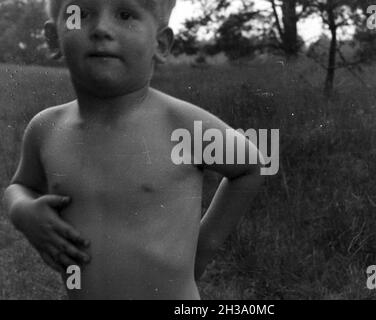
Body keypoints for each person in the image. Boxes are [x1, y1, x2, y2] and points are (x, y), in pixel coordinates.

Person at [3, 0, 265, 299]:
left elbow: (250, 166)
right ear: (54, 38)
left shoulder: (182, 124)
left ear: (161, 44)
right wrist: (22, 210)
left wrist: (203, 248)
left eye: (125, 14)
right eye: (80, 14)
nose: (101, 28)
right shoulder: (46, 127)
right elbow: (20, 185)